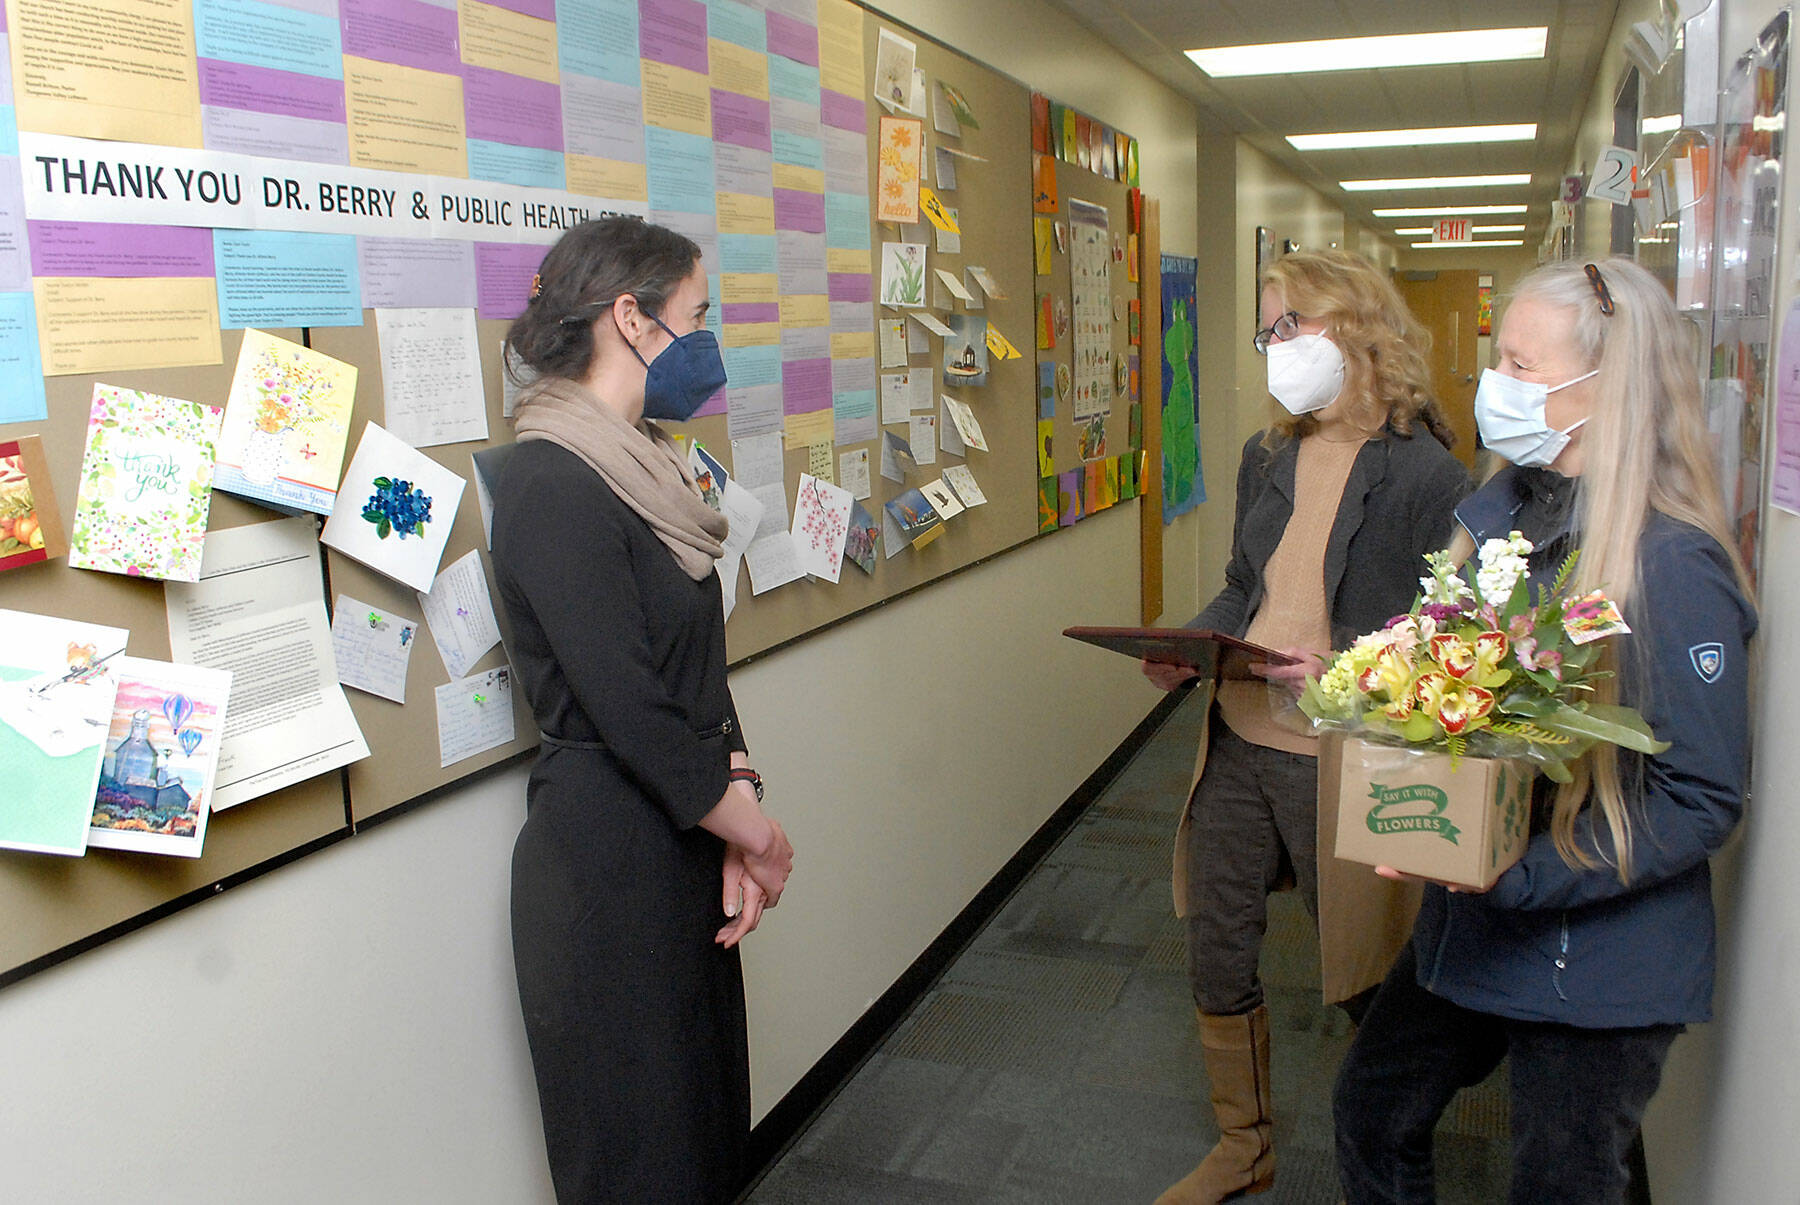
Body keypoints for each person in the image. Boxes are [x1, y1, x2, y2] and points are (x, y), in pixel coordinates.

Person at [1333, 258, 1757, 1204]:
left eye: (1522, 366)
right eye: (1500, 360)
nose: (1495, 386)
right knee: (1372, 1110)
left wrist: (1519, 872)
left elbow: (1703, 795)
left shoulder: (1670, 566)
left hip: (1594, 946)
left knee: (1564, 1181)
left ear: (1606, 390)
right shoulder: (1501, 520)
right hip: (1478, 917)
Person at [1152, 250, 1470, 1205]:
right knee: (1217, 942)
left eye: (1290, 327)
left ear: (1357, 325)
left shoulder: (1429, 474)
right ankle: (1244, 1144)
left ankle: (1392, 1134)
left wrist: (1347, 672)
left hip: (1338, 754)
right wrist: (1197, 643)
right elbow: (1248, 586)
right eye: (1267, 333)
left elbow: (1444, 636)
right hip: (1241, 736)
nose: (1275, 349)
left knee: (1367, 969)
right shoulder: (1268, 455)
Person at [489, 216, 795, 1204]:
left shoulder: (649, 461)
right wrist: (759, 836)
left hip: (681, 840)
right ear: (631, 317)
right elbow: (632, 707)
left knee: (701, 1146)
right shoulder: (548, 480)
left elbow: (692, 667)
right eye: (696, 316)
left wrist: (738, 785)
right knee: (638, 1162)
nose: (707, 342)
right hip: (608, 871)